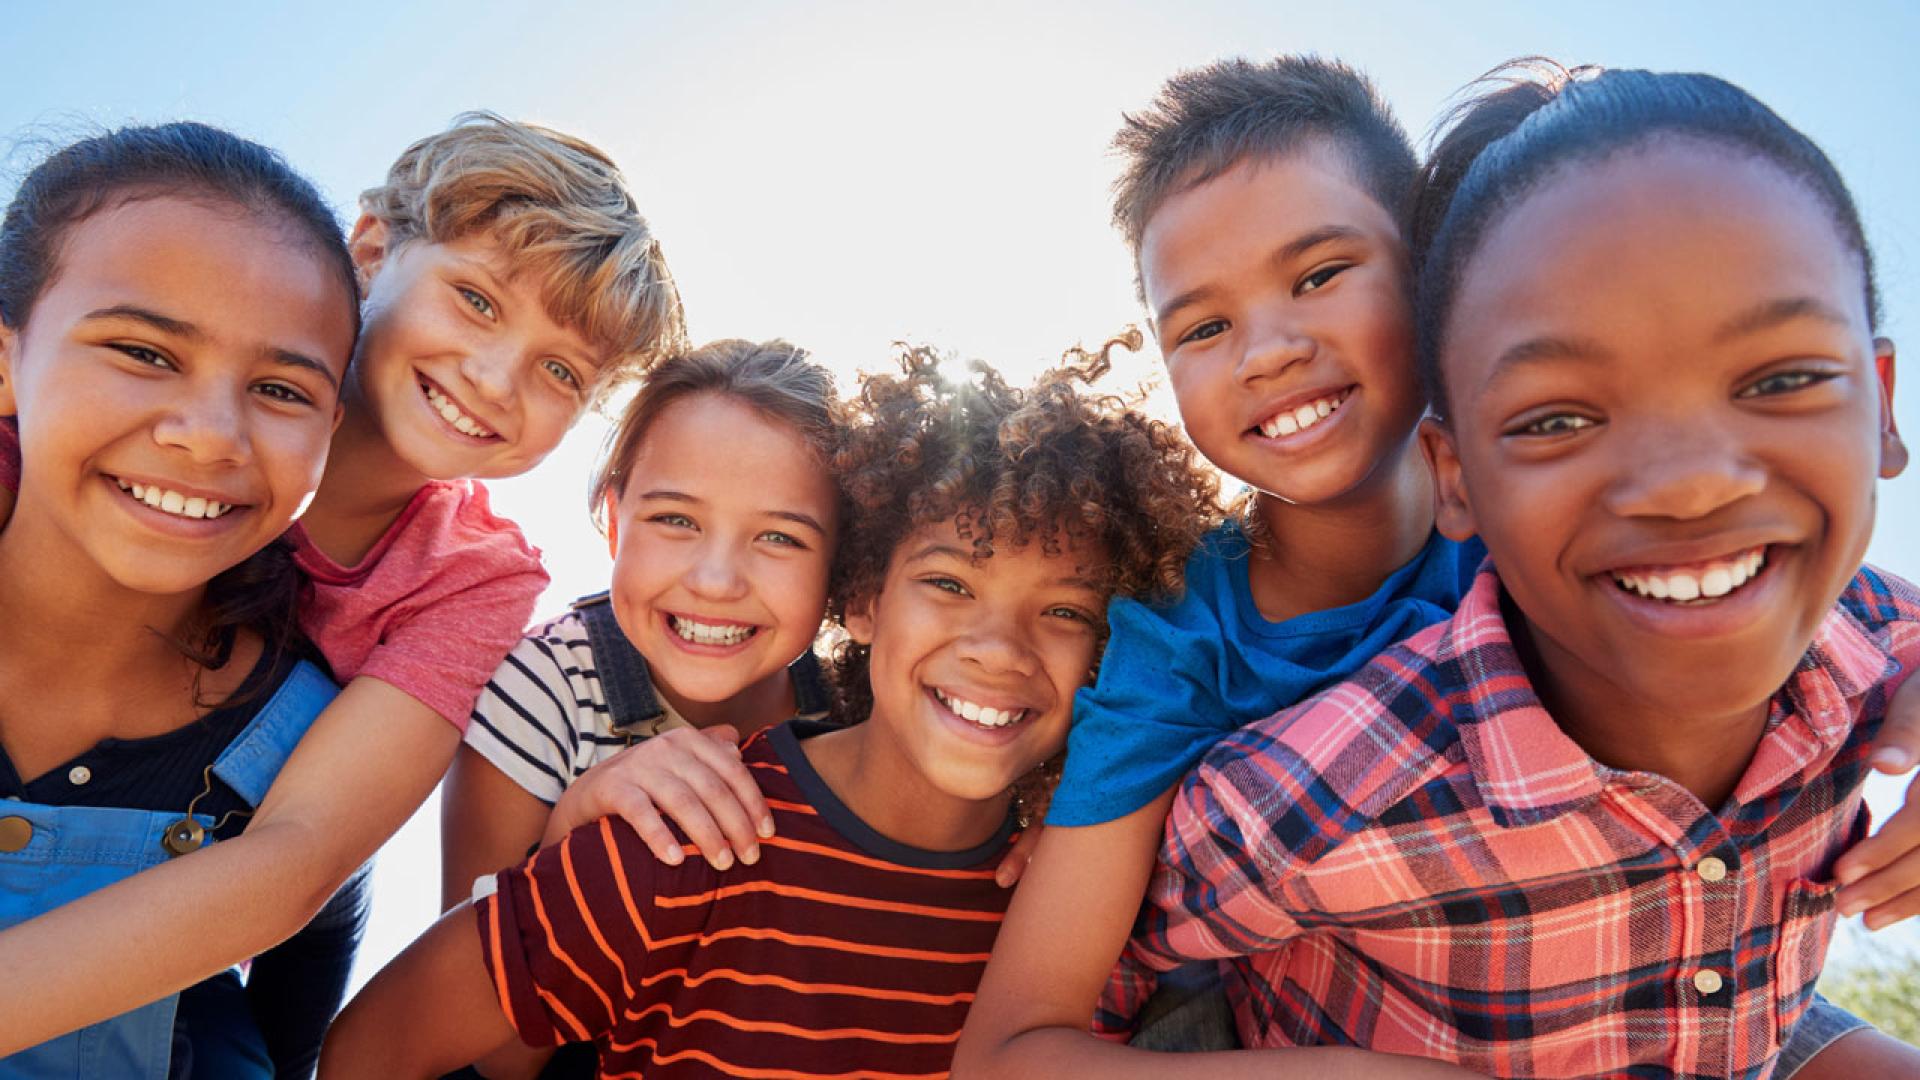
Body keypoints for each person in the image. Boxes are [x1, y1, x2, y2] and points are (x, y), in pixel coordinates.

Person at [955, 55, 1920, 1079]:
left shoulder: (1568, 509)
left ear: (1438, 291)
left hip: (1673, 956)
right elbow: (1036, 1016)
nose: (1268, 350)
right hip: (1303, 1001)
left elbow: (1868, 618)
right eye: (1202, 326)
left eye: (1320, 274)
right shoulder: (1188, 648)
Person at [318, 340, 1219, 1079]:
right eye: (947, 583)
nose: (999, 649)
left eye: (1066, 612)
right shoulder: (674, 835)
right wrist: (571, 833)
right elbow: (383, 1052)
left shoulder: (1075, 905)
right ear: (861, 598)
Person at [0, 113, 688, 1068]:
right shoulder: (109, 434)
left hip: (240, 878)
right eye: (477, 302)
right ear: (373, 250)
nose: (493, 379)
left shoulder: (471, 573)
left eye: (560, 370)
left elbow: (302, 858)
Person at [0, 122, 357, 1077]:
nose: (210, 437)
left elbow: (317, 931)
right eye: (145, 353)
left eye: (282, 389)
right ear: (6, 359)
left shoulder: (306, 734)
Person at [442, 337, 845, 1079]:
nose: (717, 580)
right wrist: (573, 837)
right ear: (615, 523)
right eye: (676, 521)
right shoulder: (547, 689)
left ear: (842, 568)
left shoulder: (858, 720)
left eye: (780, 537)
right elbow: (484, 1050)